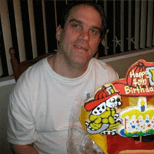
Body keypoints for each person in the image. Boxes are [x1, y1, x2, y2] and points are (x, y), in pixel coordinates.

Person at [7, 1, 119, 154]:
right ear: (59, 32)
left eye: (93, 31)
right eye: (76, 25)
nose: (85, 36)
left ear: (98, 43)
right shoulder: (28, 87)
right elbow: (21, 144)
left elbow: (114, 128)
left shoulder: (109, 77)